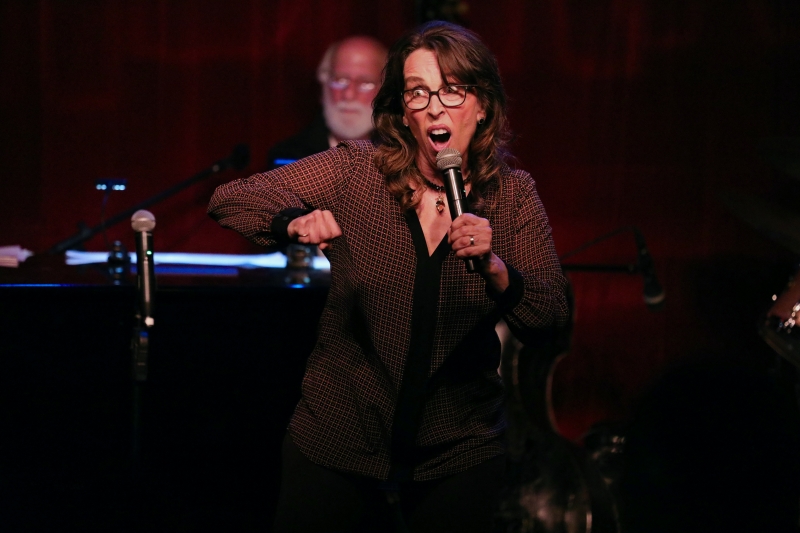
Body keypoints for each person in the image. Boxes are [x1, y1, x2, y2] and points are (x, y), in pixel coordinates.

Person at [209, 20, 570, 532]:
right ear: (403, 110)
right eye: (418, 92)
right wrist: (293, 221)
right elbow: (231, 200)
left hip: (457, 455)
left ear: (483, 105)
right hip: (337, 446)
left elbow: (550, 316)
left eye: (452, 90)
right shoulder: (360, 172)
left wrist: (494, 269)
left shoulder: (511, 196)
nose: (435, 107)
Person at [265, 35, 388, 170]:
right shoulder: (289, 159)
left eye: (365, 83)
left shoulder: (405, 158)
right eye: (340, 81)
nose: (349, 94)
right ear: (324, 84)